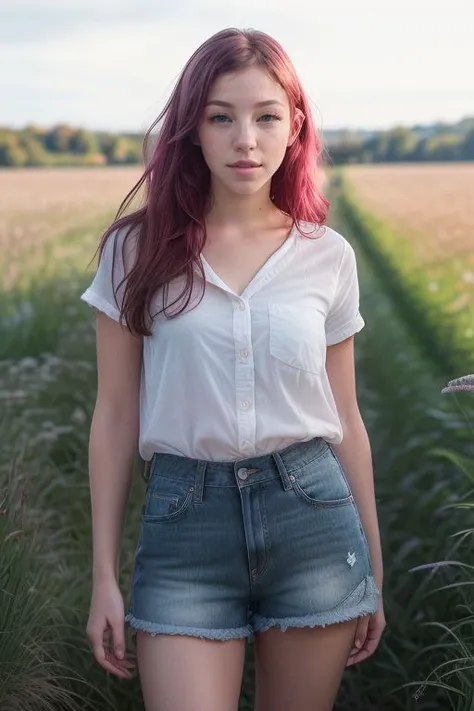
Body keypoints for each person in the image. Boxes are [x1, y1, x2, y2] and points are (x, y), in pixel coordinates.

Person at [81, 26, 386, 711]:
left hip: (312, 517)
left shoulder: (327, 256)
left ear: (294, 126)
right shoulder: (136, 251)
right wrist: (103, 574)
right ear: (192, 130)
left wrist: (373, 562)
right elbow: (114, 414)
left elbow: (347, 420)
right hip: (185, 522)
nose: (245, 139)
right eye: (221, 117)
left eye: (265, 116)